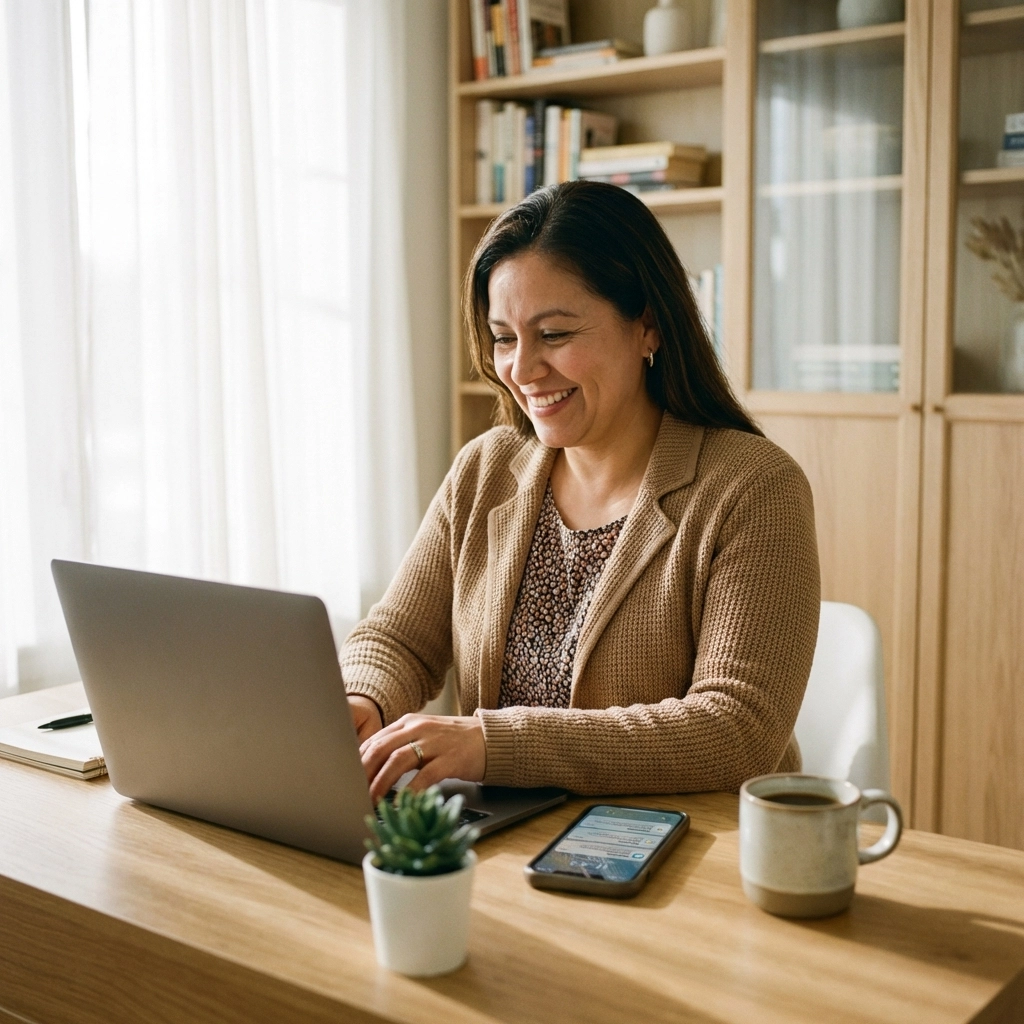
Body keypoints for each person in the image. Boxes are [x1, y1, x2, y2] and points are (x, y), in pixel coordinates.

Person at [343, 180, 820, 804]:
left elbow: (738, 729)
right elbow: (397, 639)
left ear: (647, 325)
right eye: (505, 337)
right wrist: (364, 698)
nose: (523, 369)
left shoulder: (754, 488)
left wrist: (492, 744)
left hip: (686, 852)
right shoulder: (486, 471)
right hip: (508, 839)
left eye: (557, 334)